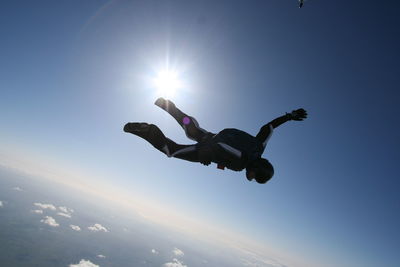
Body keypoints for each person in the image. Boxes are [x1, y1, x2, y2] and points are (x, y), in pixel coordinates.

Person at [123, 98, 307, 184]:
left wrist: (289, 116)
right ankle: (149, 131)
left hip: (210, 137)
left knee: (192, 129)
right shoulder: (241, 162)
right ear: (256, 169)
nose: (250, 178)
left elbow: (269, 127)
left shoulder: (260, 147)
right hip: (208, 148)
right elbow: (221, 147)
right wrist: (206, 153)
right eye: (253, 176)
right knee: (172, 151)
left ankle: (169, 106)